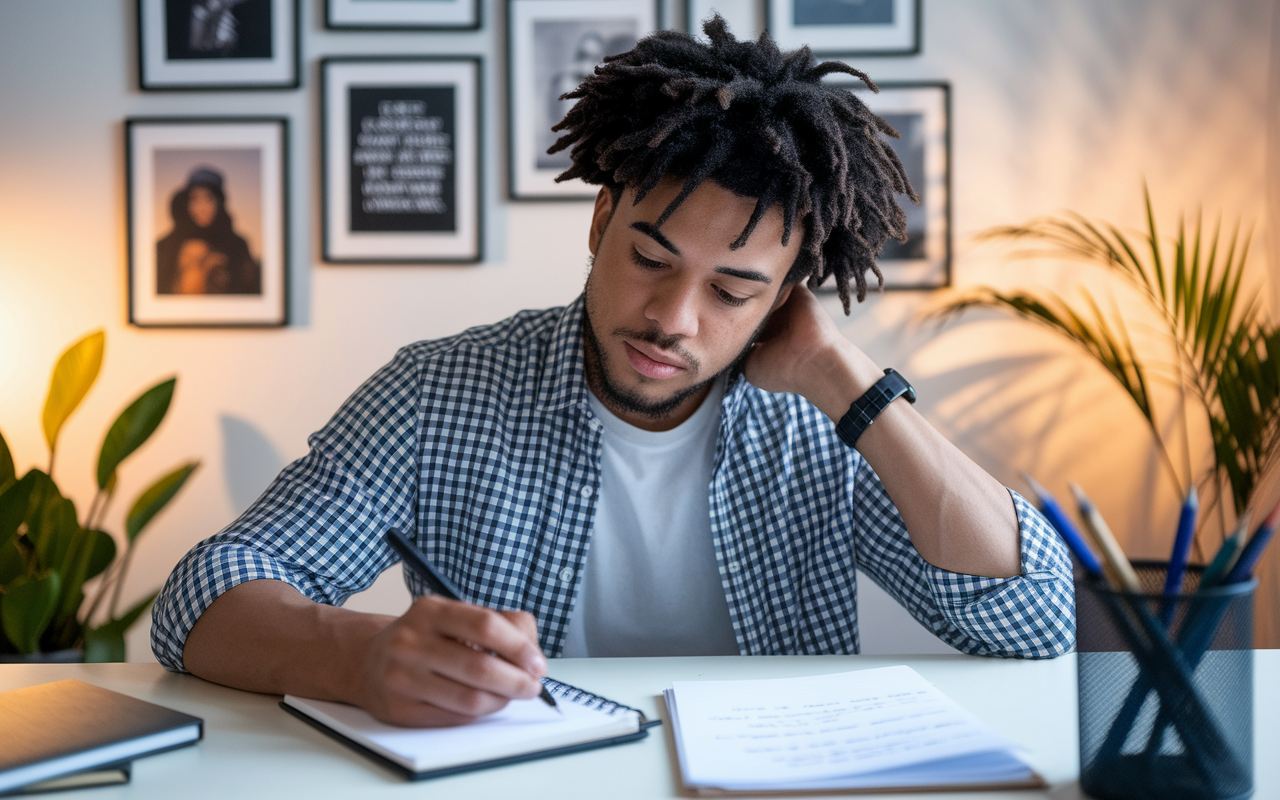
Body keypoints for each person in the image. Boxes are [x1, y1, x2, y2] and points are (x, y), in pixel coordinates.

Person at [152, 19, 1074, 728]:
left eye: (733, 290)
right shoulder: (439, 394)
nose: (673, 320)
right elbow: (204, 594)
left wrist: (845, 376)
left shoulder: (823, 421)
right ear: (600, 223)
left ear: (787, 295)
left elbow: (1037, 624)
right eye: (650, 258)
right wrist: (354, 655)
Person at [156, 167, 261, 296]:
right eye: (194, 199)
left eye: (208, 199)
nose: (201, 207)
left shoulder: (237, 245)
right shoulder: (166, 245)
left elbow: (249, 291)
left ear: (220, 202)